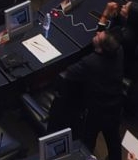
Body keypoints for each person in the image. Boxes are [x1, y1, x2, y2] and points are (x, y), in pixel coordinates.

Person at [50, 29, 125, 160]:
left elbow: (69, 74)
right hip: (115, 106)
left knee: (87, 143)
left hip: (96, 111)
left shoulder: (90, 62)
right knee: (113, 140)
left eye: (98, 37)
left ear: (100, 49)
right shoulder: (119, 51)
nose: (96, 34)